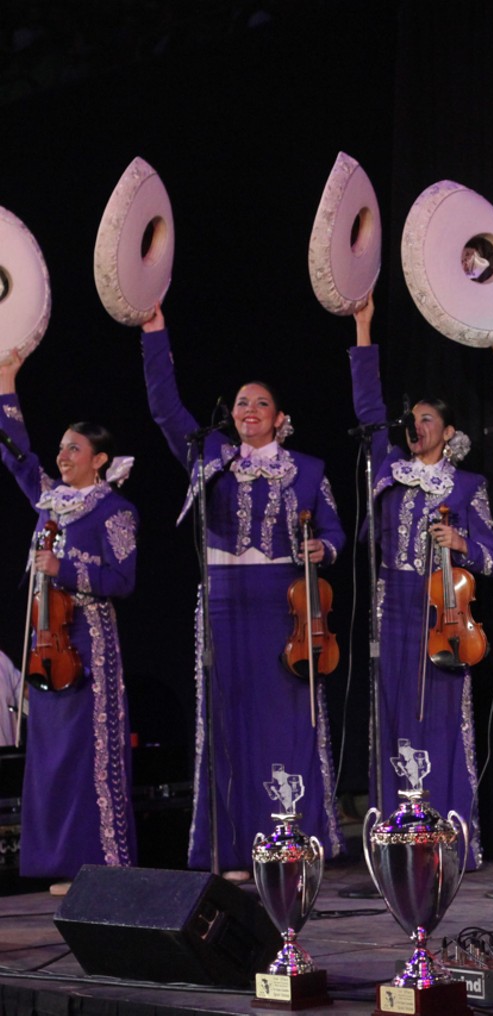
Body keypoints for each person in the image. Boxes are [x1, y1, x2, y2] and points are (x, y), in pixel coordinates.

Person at [139, 306, 345, 874]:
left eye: (260, 403)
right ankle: (230, 846)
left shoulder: (306, 468)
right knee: (227, 722)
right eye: (240, 403)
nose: (248, 410)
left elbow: (334, 531)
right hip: (225, 599)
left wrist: (321, 550)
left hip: (285, 603)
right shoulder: (211, 456)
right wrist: (156, 331)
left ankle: (294, 840)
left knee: (288, 718)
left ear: (281, 418)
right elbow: (163, 407)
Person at [350, 296, 493, 865]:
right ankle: (395, 835)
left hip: (445, 616)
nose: (416, 427)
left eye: (427, 420)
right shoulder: (389, 470)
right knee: (392, 716)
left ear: (450, 431)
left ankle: (450, 833)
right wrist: (364, 330)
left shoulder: (467, 486)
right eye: (412, 420)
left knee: (442, 719)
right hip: (395, 608)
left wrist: (461, 543)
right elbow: (368, 412)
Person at [0, 349, 137, 894]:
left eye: (73, 448)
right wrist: (7, 382)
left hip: (89, 644)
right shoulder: (50, 502)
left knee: (88, 754)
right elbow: (15, 455)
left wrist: (67, 567)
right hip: (45, 643)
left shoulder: (115, 511)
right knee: (51, 756)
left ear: (99, 459)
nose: (62, 456)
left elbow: (123, 579)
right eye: (60, 447)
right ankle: (57, 860)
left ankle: (100, 859)